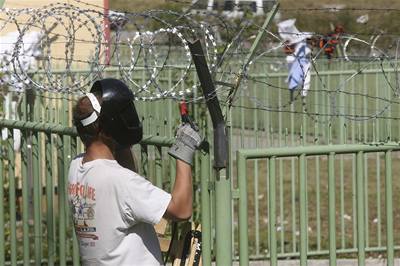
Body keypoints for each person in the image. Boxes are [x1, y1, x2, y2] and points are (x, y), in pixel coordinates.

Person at [67, 78, 202, 265]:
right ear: (107, 128)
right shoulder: (121, 182)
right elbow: (181, 209)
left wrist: (117, 138)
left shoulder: (76, 167)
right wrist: (184, 150)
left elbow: (123, 170)